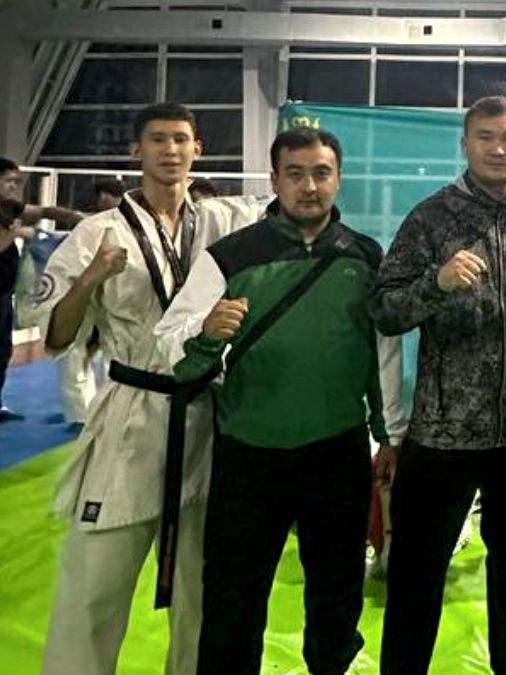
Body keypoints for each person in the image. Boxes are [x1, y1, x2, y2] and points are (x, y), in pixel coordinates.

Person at [154, 125, 387, 674]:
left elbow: (383, 353)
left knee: (337, 593)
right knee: (234, 596)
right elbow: (168, 344)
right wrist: (206, 332)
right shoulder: (231, 257)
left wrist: (389, 434)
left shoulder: (364, 256)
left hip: (338, 451)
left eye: (322, 173)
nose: (310, 186)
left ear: (338, 178)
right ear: (275, 179)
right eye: (296, 174)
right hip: (249, 453)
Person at [36, 103, 260, 675]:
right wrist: (90, 279)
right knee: (94, 584)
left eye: (181, 139)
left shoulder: (223, 222)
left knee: (202, 590)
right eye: (157, 139)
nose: (170, 150)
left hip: (205, 414)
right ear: (137, 150)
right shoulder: (97, 233)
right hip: (131, 414)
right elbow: (56, 337)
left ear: (198, 150)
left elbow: (294, 207)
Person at [369, 95, 506, 675]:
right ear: (465, 144)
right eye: (485, 137)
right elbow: (384, 310)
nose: (497, 148)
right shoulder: (430, 219)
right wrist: (435, 283)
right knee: (417, 573)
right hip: (442, 435)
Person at [0, 157, 83, 422]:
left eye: (17, 182)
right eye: (9, 181)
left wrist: (76, 218)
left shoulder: (10, 209)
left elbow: (45, 211)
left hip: (4, 293)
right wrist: (15, 233)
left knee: (3, 350)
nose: (14, 186)